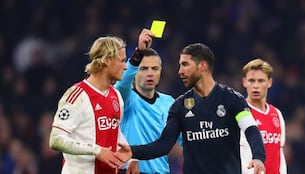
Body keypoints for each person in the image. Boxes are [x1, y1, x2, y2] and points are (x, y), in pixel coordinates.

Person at [118, 43, 266, 174]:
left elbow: (251, 129)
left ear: (202, 66)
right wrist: (133, 151)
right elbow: (163, 145)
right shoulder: (179, 106)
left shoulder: (232, 100)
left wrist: (258, 157)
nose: (180, 71)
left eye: (185, 64)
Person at [48, 29, 154, 174]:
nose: (124, 66)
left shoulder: (115, 96)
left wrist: (130, 159)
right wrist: (97, 151)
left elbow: (114, 132)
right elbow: (56, 140)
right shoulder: (76, 95)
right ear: (106, 60)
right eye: (122, 61)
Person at [113, 45, 182, 173]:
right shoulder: (125, 99)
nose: (150, 73)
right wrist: (137, 54)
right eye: (144, 69)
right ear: (134, 72)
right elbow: (122, 84)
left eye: (155, 69)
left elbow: (184, 140)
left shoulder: (169, 102)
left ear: (161, 71)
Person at [240, 58, 287, 174]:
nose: (256, 86)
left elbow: (279, 151)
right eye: (251, 80)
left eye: (261, 81)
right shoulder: (238, 113)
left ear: (269, 83)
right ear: (244, 82)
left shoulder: (277, 114)